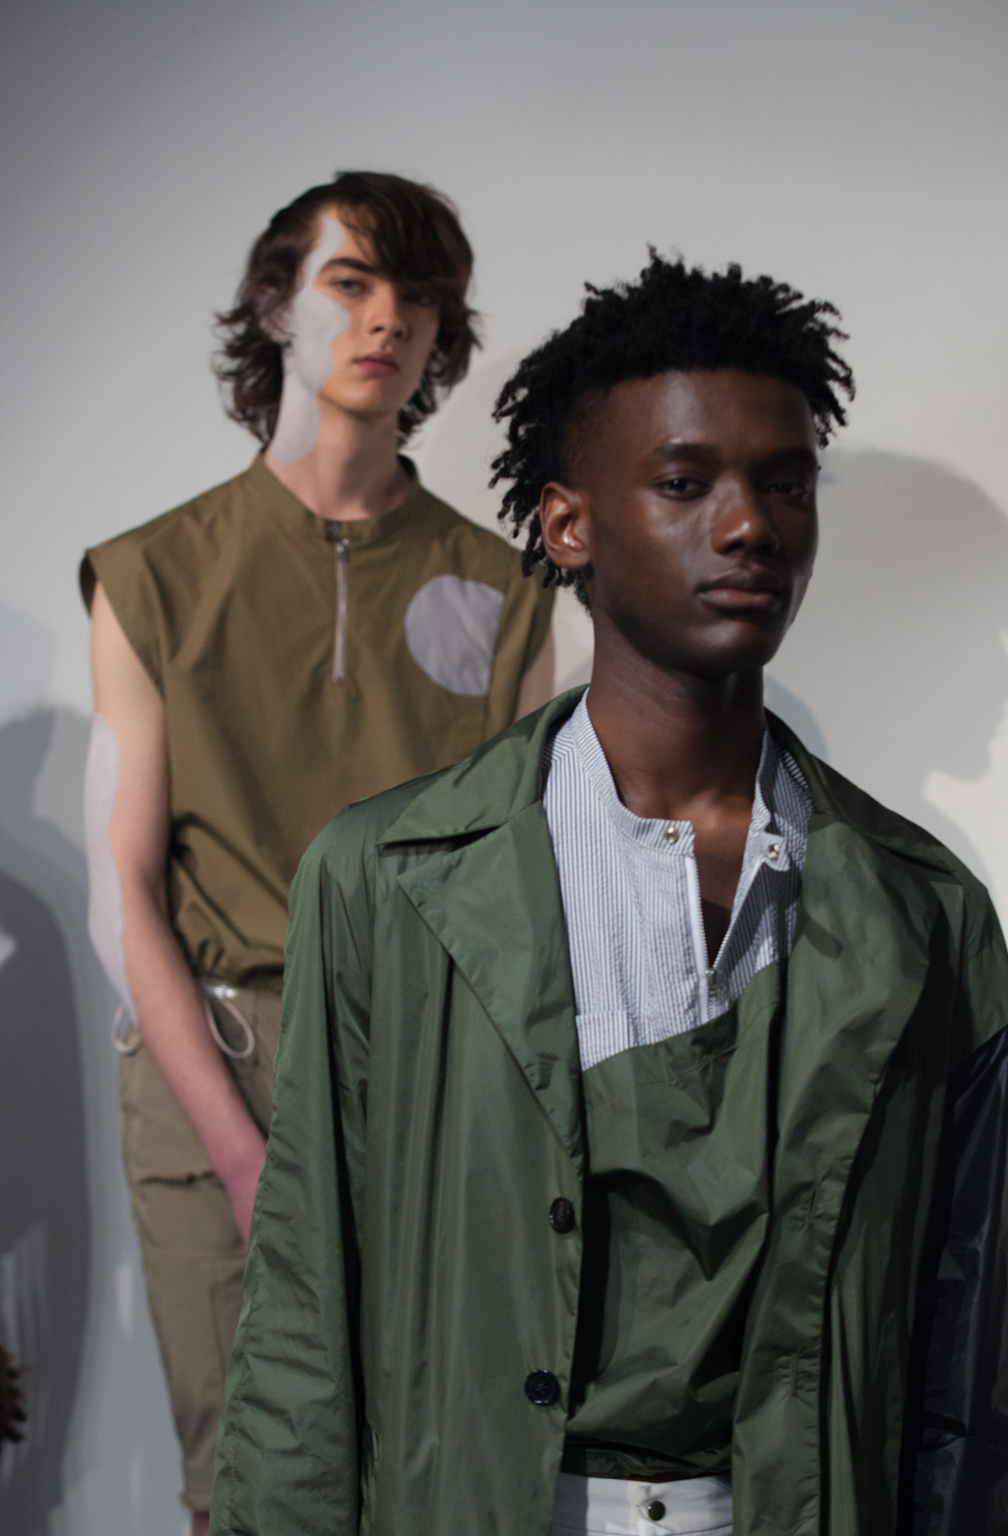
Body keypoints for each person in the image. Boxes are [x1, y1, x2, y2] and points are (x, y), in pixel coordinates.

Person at [210, 256, 1008, 1536]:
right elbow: (303, 1328)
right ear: (568, 524)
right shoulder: (386, 879)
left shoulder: (924, 916)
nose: (750, 525)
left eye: (785, 483)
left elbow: (964, 1376)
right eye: (684, 482)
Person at [81, 170, 555, 1534]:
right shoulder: (154, 573)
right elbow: (126, 893)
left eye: (420, 296)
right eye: (352, 282)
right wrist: (242, 1155)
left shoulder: (508, 587)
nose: (387, 318)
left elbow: (522, 891)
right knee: (243, 1481)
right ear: (277, 305)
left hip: (428, 1063)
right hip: (216, 1056)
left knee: (429, 1469)